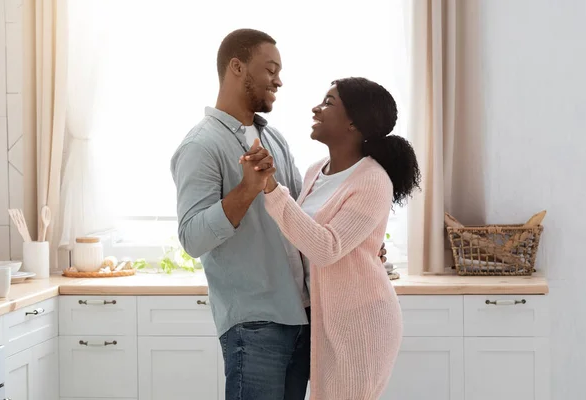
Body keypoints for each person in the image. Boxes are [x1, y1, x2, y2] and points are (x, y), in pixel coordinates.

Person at [170, 29, 387, 399]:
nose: (279, 80)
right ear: (237, 68)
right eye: (270, 69)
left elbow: (303, 219)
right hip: (253, 325)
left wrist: (363, 244)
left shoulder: (275, 140)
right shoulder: (200, 145)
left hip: (302, 317)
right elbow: (192, 238)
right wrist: (246, 190)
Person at [240, 77, 421, 400]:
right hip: (324, 321)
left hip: (361, 323)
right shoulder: (316, 171)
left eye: (328, 103)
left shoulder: (373, 181)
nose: (316, 108)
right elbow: (301, 236)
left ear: (354, 122)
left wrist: (271, 187)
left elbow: (325, 248)